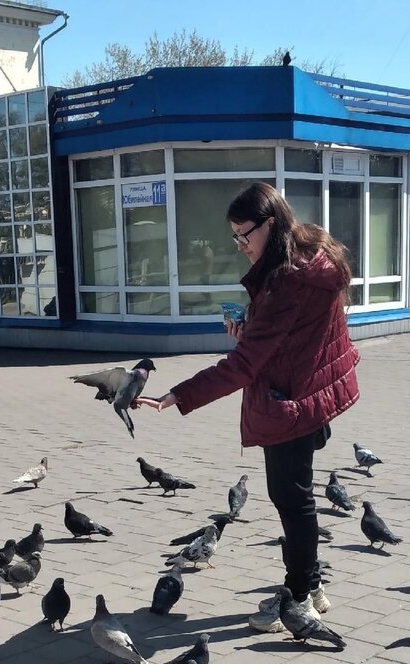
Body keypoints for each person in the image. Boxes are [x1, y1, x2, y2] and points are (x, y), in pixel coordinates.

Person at [137, 182, 361, 633]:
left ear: (271, 225)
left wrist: (178, 394)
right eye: (234, 237)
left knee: (291, 500)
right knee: (294, 498)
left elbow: (244, 366)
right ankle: (311, 587)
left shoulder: (287, 281)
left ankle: (299, 599)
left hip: (290, 403)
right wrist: (254, 334)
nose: (240, 246)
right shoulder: (312, 254)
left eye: (245, 235)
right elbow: (296, 338)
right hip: (309, 392)